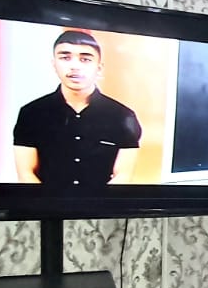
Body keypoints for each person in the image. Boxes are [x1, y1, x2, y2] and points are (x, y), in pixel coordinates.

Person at [12, 30, 141, 186]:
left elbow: (123, 176)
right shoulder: (31, 113)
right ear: (54, 64)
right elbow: (26, 174)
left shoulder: (123, 116)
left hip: (103, 202)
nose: (75, 66)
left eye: (85, 59)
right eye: (65, 58)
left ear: (99, 67)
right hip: (45, 201)